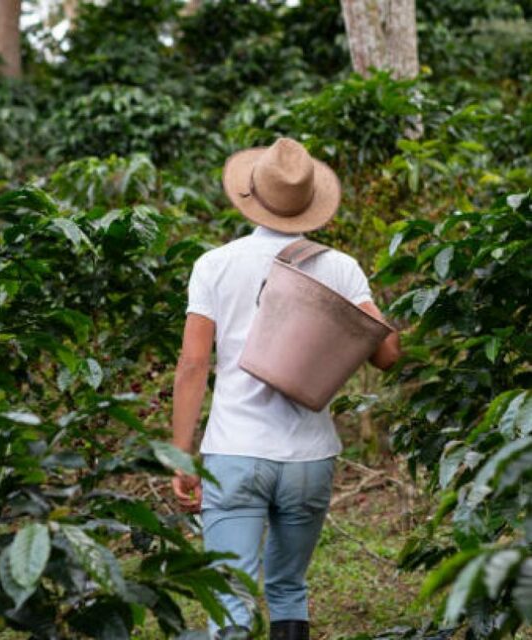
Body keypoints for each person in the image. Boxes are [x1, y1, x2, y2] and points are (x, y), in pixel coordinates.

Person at [169, 137, 401, 640]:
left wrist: (180, 456)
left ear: (251, 195)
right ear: (308, 204)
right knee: (289, 588)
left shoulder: (215, 264)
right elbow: (388, 355)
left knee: (228, 597)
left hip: (235, 451)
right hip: (309, 458)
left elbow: (192, 364)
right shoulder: (339, 267)